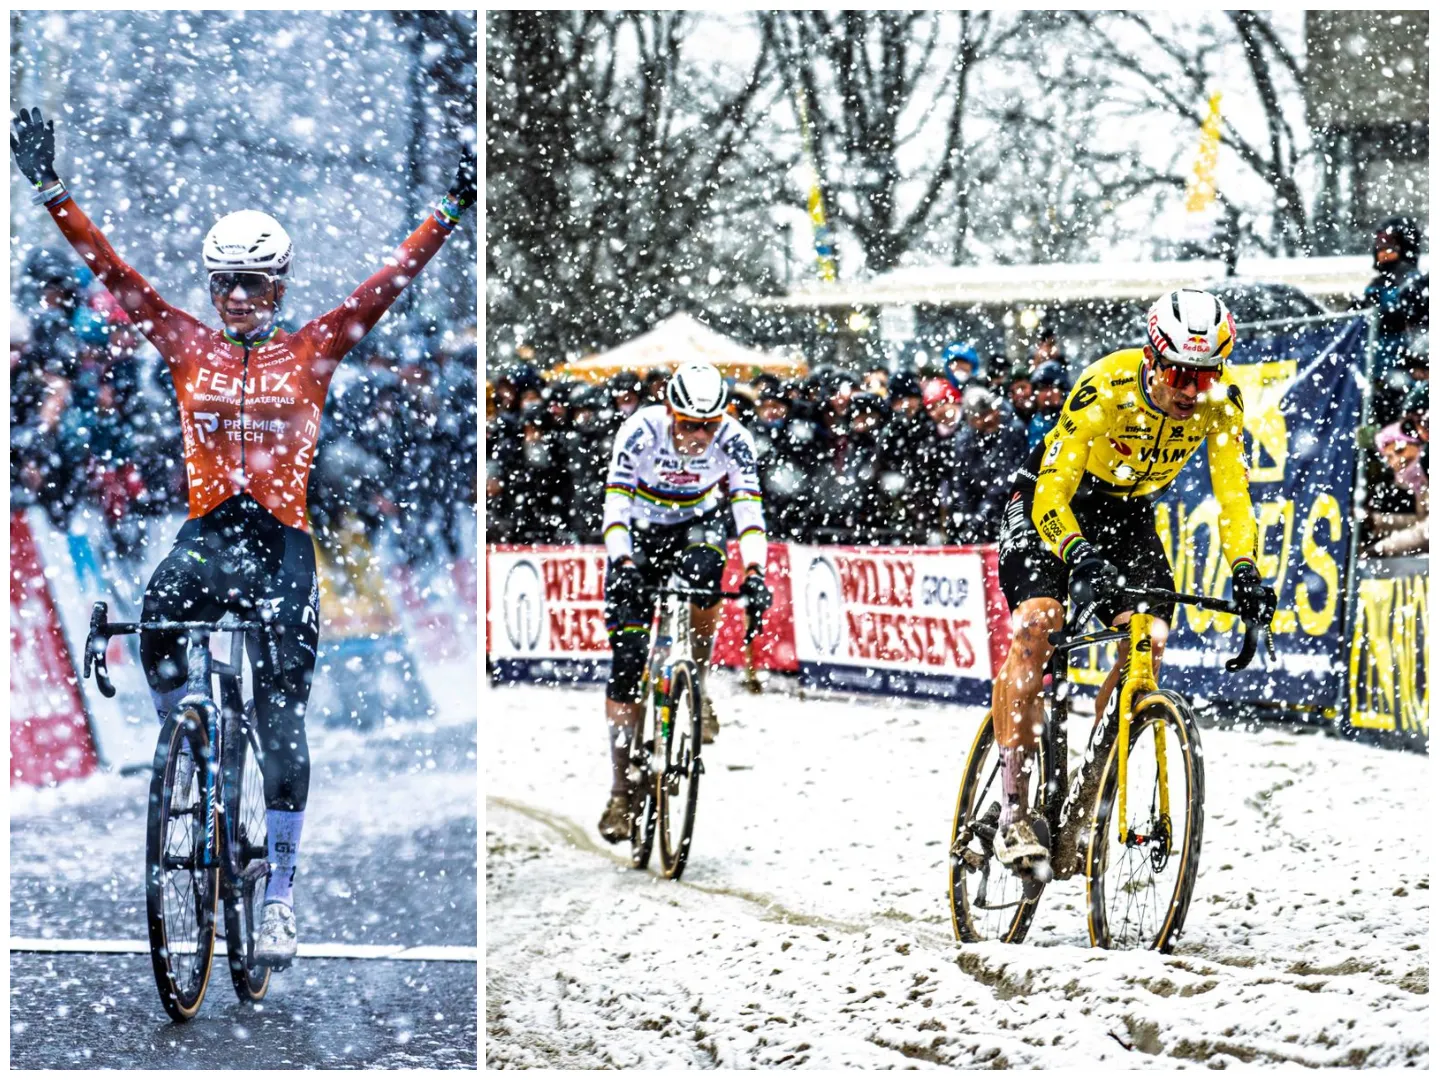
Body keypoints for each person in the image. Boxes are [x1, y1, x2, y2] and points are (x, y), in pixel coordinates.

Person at [11, 105, 475, 965]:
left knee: (283, 718)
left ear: (280, 286)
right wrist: (50, 189)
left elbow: (391, 279)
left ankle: (281, 896)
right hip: (208, 536)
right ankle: (184, 738)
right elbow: (110, 270)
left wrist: (448, 210)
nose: (235, 297)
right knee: (154, 618)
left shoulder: (316, 346)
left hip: (283, 546)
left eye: (253, 284)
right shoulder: (184, 341)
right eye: (224, 282)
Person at [985, 288, 1277, 879]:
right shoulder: (1105, 385)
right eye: (1178, 374)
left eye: (1205, 376)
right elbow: (1052, 491)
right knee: (1040, 623)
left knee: (1152, 637)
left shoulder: (1221, 403)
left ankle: (1091, 793)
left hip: (1126, 515)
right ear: (1152, 357)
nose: (1190, 392)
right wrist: (1076, 553)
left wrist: (1246, 570)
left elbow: (1233, 497)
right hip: (1053, 499)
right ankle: (1013, 808)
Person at [597, 361, 773, 841]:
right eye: (690, 425)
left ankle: (696, 677)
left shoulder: (734, 439)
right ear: (670, 411)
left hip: (696, 522)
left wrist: (756, 570)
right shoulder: (639, 431)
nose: (699, 436)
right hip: (638, 528)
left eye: (708, 425)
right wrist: (625, 563)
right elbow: (614, 502)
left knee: (705, 574)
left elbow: (747, 506)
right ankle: (619, 790)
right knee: (629, 660)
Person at [950, 386, 1027, 544]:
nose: (988, 419)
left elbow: (1007, 477)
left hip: (1010, 509)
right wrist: (968, 514)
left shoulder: (1013, 430)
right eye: (980, 417)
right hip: (979, 507)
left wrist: (984, 512)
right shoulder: (965, 440)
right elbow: (961, 481)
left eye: (989, 413)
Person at [1025, 360, 1071, 449]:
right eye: (1042, 388)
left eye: (1052, 387)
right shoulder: (1035, 424)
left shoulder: (1075, 415)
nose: (1047, 394)